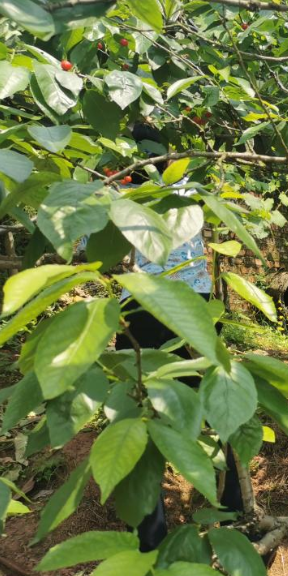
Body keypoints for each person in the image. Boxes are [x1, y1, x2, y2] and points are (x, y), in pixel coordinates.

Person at [109, 124, 248, 551]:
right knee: (214, 400)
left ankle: (151, 534)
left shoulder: (119, 192)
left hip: (142, 307)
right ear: (169, 157)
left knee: (140, 413)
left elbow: (88, 247)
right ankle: (236, 507)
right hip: (195, 305)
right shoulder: (190, 189)